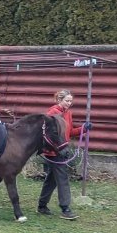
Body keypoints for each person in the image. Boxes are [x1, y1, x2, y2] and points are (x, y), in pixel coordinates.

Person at [38, 89, 89, 220]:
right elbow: (48, 133)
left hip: (63, 150)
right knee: (62, 178)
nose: (69, 103)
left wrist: (83, 129)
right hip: (54, 151)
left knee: (52, 179)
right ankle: (65, 208)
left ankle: (42, 205)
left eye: (71, 101)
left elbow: (70, 132)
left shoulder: (68, 113)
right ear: (59, 100)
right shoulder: (52, 113)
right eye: (67, 101)